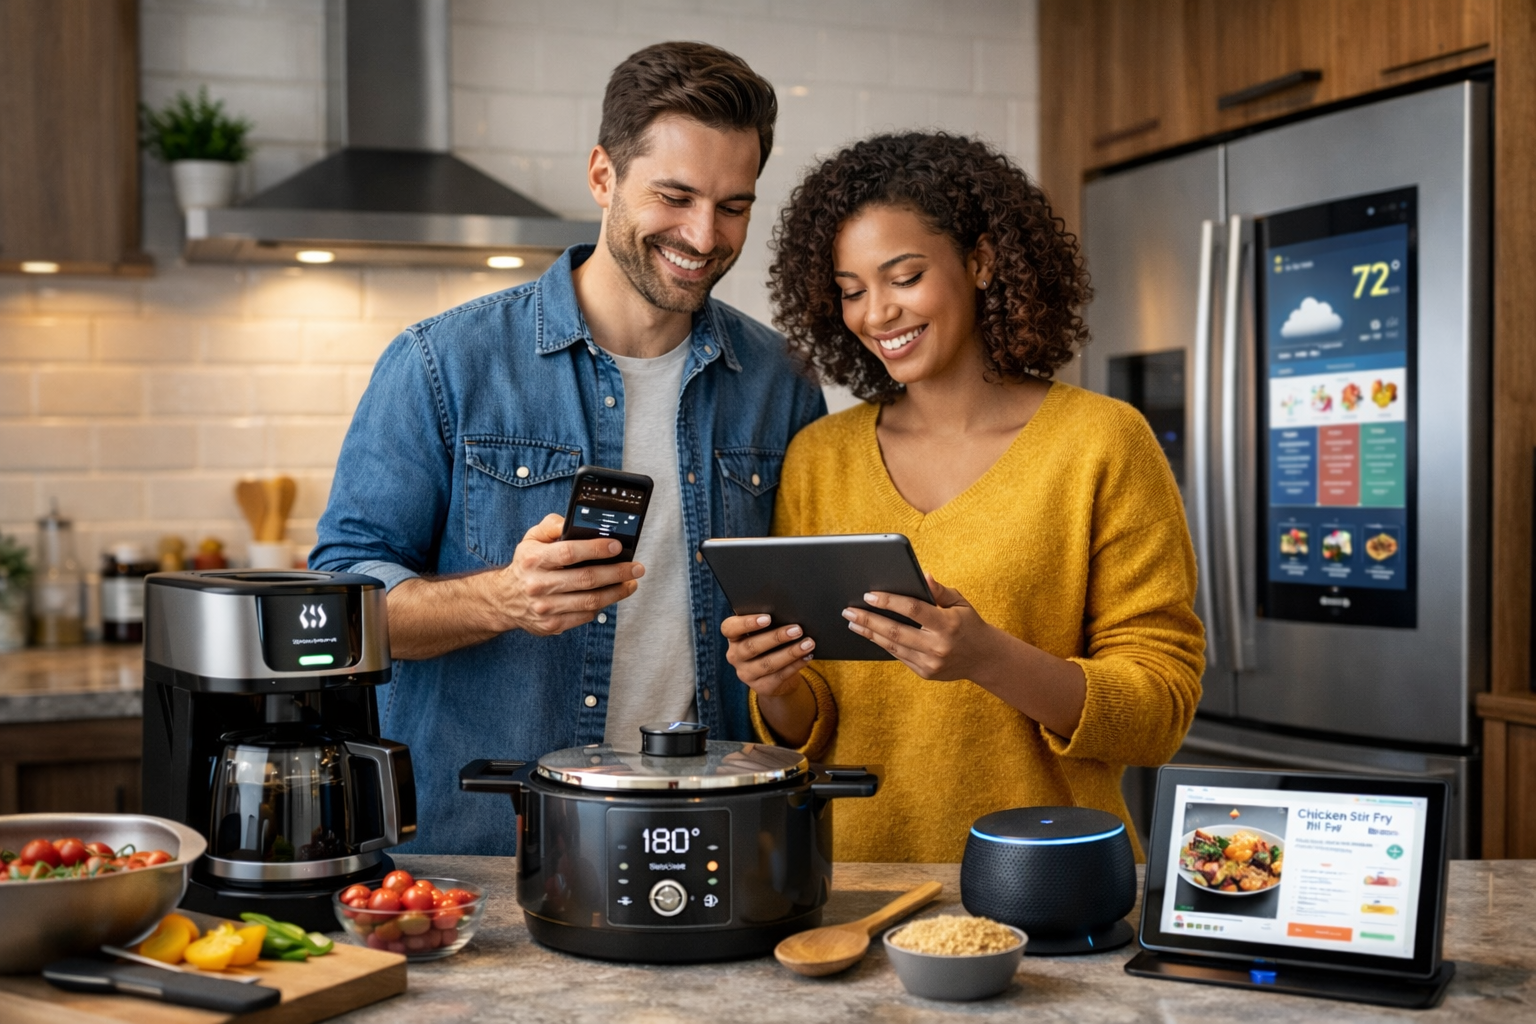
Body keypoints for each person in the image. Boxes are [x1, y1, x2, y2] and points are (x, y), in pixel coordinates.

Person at [312, 42, 825, 855]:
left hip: (709, 837)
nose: (704, 234)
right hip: (482, 850)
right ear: (602, 176)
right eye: (676, 195)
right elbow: (334, 608)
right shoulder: (443, 363)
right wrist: (502, 599)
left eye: (734, 205)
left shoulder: (780, 382)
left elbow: (798, 628)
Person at [722, 132, 1205, 862]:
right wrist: (777, 686)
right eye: (851, 291)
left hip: (1052, 880)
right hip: (855, 888)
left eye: (903, 277)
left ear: (981, 263)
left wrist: (988, 658)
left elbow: (1158, 715)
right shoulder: (821, 457)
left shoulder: (1101, 442)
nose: (876, 313)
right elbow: (812, 721)